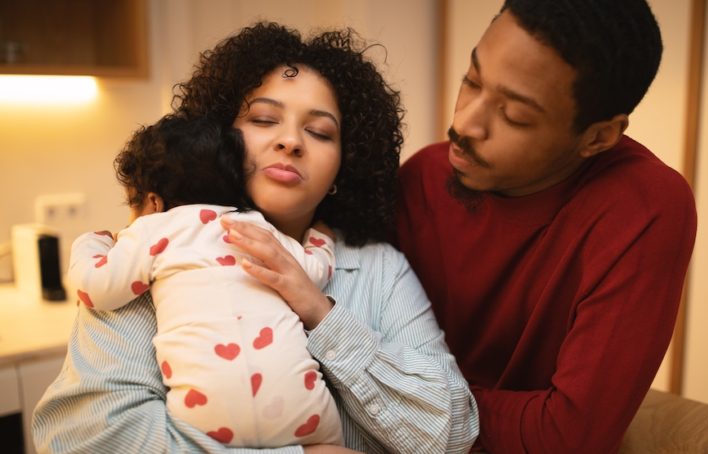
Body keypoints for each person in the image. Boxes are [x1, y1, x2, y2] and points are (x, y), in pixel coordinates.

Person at [32, 22, 479, 454]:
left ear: (345, 165)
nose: (290, 141)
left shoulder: (380, 269)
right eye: (264, 119)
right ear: (220, 140)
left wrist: (320, 312)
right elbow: (86, 440)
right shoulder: (153, 250)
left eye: (319, 131)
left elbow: (450, 434)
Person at [396, 0, 696, 453]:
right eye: (471, 81)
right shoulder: (422, 179)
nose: (464, 123)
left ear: (597, 138)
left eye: (514, 115)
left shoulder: (642, 207)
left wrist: (402, 394)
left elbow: (569, 438)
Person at [67, 114, 343, 447]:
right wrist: (321, 238)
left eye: (132, 206)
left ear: (153, 203)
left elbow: (94, 288)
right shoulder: (259, 229)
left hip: (205, 421)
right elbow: (315, 272)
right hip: (305, 411)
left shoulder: (152, 229)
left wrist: (92, 242)